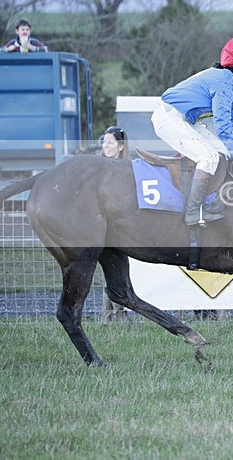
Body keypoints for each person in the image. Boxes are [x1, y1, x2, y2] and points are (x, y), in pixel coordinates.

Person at [151, 37, 233, 226]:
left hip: (183, 118)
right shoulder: (225, 81)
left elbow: (231, 121)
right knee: (209, 157)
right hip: (168, 117)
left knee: (226, 152)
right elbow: (223, 126)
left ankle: (217, 202)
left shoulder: (229, 80)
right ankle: (193, 212)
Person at [100, 126, 130, 323]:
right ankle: (116, 315)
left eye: (110, 142)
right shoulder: (100, 167)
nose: (105, 146)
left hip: (122, 226)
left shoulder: (127, 168)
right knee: (109, 270)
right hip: (104, 225)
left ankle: (110, 315)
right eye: (104, 142)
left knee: (116, 270)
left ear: (120, 146)